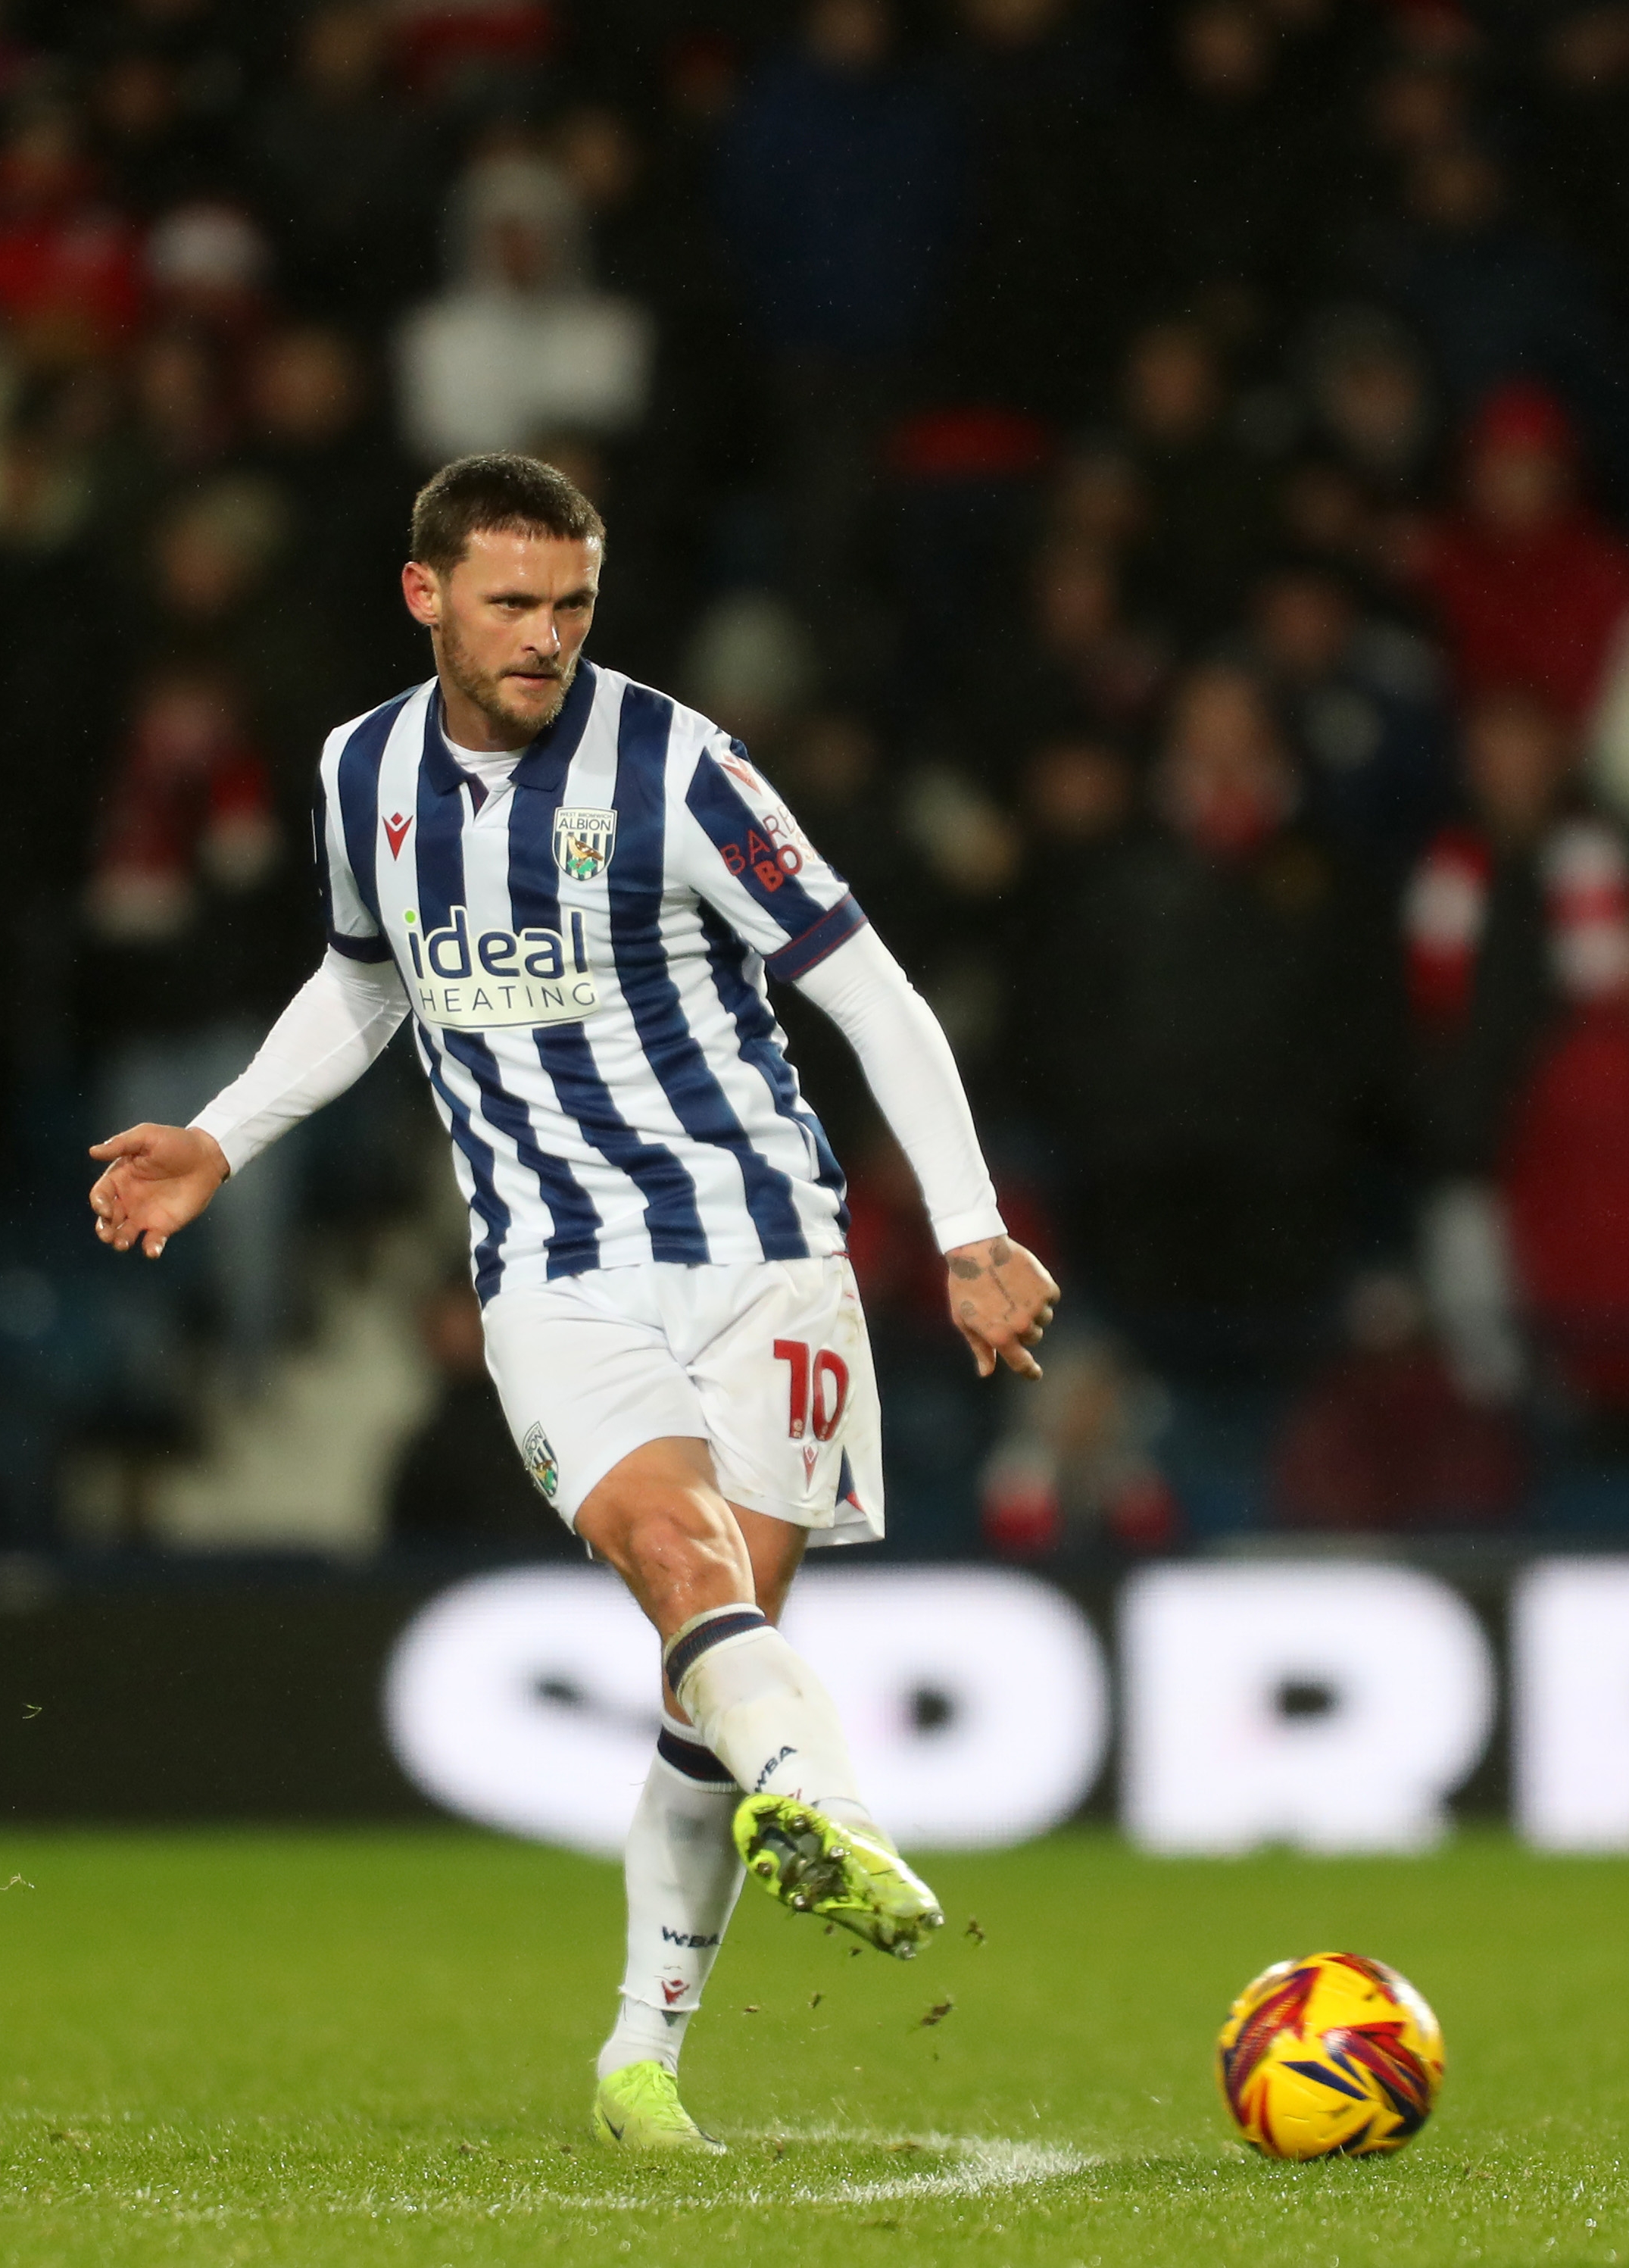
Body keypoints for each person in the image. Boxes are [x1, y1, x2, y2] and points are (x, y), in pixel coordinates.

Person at [82, 454, 1056, 2152]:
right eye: (511, 604)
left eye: (572, 606)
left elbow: (869, 987)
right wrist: (222, 1144)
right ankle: (825, 1809)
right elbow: (360, 977)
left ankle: (637, 2059)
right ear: (425, 596)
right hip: (551, 1266)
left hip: (764, 1248)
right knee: (676, 1571)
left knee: (715, 1659)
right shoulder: (358, 771)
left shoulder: (680, 769)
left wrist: (967, 1229)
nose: (544, 639)